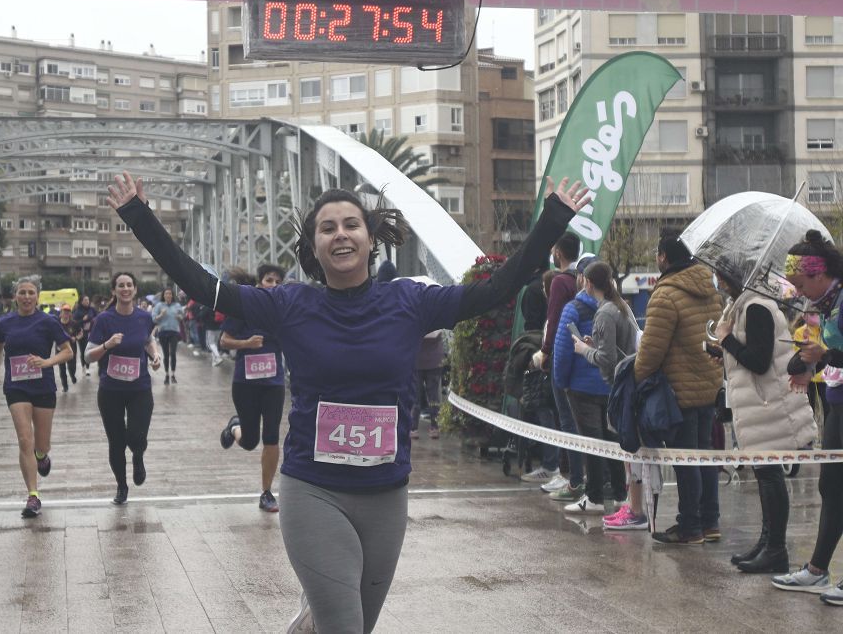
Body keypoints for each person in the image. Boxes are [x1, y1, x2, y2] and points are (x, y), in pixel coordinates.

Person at [108, 169, 589, 632]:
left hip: (386, 494)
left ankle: (310, 620)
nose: (341, 234)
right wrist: (140, 216)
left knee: (355, 623)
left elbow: (498, 289)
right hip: (313, 489)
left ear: (369, 236)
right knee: (344, 626)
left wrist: (552, 219)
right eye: (328, 227)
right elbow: (201, 285)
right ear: (313, 246)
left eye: (351, 224)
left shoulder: (409, 302)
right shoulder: (290, 305)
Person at [709, 255, 817, 573]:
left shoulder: (756, 307)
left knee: (770, 479)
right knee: (765, 477)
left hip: (770, 409)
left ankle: (775, 549)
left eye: (721, 275)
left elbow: (758, 360)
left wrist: (727, 338)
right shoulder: (746, 305)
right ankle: (766, 542)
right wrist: (724, 351)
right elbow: (753, 354)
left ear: (733, 277)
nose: (718, 281)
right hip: (760, 408)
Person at [634, 229, 724, 545]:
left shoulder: (666, 294)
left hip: (680, 393)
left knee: (686, 461)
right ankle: (710, 522)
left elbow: (651, 351)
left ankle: (690, 526)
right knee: (706, 456)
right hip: (709, 386)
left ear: (664, 257)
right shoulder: (711, 290)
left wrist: (635, 377)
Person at [773, 231, 843, 603]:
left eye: (801, 284)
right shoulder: (825, 306)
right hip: (836, 401)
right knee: (831, 487)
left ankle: (819, 569)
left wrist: (827, 355)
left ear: (819, 275)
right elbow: (822, 353)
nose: (799, 292)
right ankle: (817, 569)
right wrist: (804, 360)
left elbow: (834, 353)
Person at [0, 277, 74, 518]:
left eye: (31, 293)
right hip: (16, 387)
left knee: (41, 444)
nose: (26, 297)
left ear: (38, 296)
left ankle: (41, 456)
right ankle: (33, 495)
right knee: (25, 439)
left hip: (43, 387)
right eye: (22, 292)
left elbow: (67, 351)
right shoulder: (5, 322)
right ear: (15, 296)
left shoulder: (49, 322)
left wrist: (47, 362)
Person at [572, 261, 645, 529]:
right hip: (631, 381)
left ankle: (634, 510)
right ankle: (631, 506)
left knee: (629, 450)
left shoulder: (604, 313)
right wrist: (597, 346)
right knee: (628, 449)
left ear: (588, 283)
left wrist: (583, 349)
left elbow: (607, 358)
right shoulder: (622, 306)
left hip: (620, 385)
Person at [553, 258, 626, 515]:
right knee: (613, 440)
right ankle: (620, 493)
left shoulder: (573, 309)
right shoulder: (619, 307)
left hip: (582, 387)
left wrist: (561, 382)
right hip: (612, 385)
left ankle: (594, 496)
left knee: (591, 443)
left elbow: (562, 350)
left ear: (584, 280)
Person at [86, 273, 161, 505]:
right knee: (116, 442)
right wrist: (107, 345)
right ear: (114, 291)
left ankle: (138, 456)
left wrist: (155, 356)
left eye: (129, 285)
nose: (125, 289)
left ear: (135, 290)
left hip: (140, 388)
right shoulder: (104, 320)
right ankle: (121, 486)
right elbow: (88, 356)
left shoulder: (144, 317)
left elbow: (148, 340)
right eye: (121, 286)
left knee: (137, 435)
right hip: (111, 391)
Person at [218, 265, 287, 513]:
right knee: (249, 441)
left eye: (278, 281)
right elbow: (223, 340)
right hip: (245, 384)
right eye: (269, 280)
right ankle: (234, 427)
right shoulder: (244, 308)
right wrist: (246, 343)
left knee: (271, 436)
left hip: (273, 385)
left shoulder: (282, 312)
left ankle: (267, 492)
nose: (274, 285)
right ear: (260, 283)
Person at [526, 232, 584, 499]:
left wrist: (545, 353)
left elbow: (555, 320)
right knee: (577, 422)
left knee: (566, 422)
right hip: (582, 358)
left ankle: (570, 477)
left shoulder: (560, 282)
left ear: (558, 253)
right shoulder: (581, 279)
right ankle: (575, 476)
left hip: (562, 357)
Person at [152, 288, 184, 385]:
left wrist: (179, 317)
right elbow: (154, 319)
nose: (168, 295)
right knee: (166, 354)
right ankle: (166, 375)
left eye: (170, 294)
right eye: (166, 294)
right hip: (163, 332)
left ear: (172, 295)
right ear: (164, 295)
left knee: (173, 353)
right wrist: (161, 315)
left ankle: (173, 374)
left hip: (174, 332)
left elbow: (182, 316)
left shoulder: (177, 305)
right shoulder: (159, 305)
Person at [56, 304, 81, 393]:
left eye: (68, 312)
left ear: (70, 313)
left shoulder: (74, 323)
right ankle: (65, 386)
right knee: (62, 369)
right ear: (61, 313)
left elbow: (81, 333)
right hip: (59, 350)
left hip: (71, 349)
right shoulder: (57, 323)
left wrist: (76, 338)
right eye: (64, 311)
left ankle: (73, 376)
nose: (66, 313)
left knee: (71, 367)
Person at [73, 295, 97, 377]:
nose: (87, 301)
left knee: (88, 350)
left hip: (91, 333)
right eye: (85, 300)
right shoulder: (78, 311)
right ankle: (83, 366)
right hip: (82, 333)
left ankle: (87, 368)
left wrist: (93, 319)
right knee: (83, 350)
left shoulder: (92, 309)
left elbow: (97, 317)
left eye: (88, 300)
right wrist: (83, 320)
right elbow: (74, 323)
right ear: (81, 301)